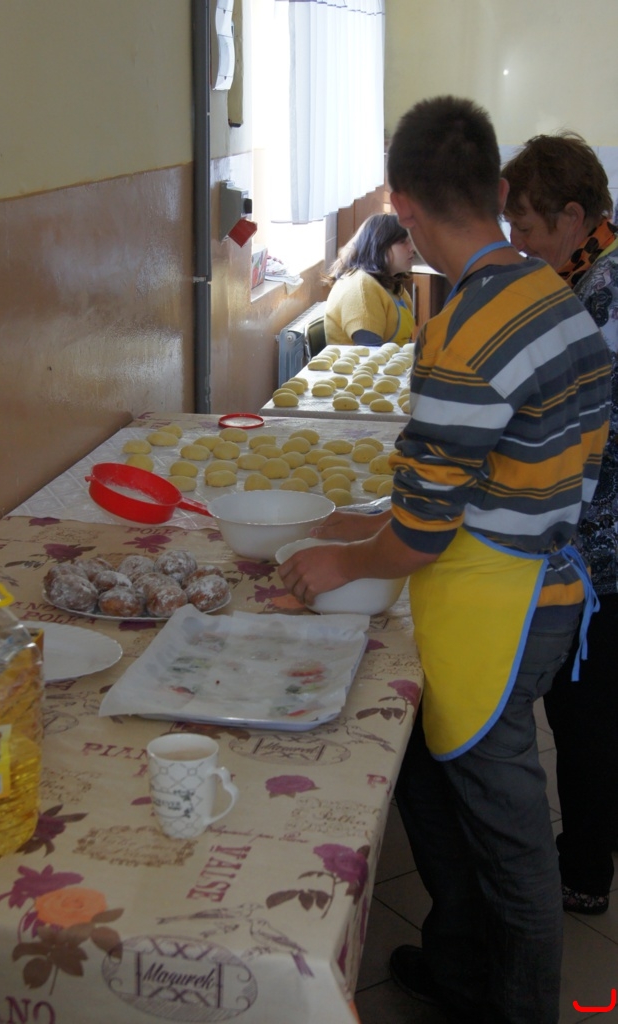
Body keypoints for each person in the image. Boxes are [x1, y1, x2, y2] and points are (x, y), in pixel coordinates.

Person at [278, 96, 612, 1024]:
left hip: (503, 611)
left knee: (513, 850)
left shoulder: (461, 336)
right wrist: (357, 520)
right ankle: (459, 966)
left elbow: (424, 535)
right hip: (550, 573)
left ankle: (516, 1004)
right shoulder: (551, 293)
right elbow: (497, 472)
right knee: (426, 778)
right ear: (499, 192)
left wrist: (341, 563)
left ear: (402, 207)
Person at [502, 132, 618, 916]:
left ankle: (581, 872)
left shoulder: (604, 293)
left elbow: (592, 440)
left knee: (584, 713)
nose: (516, 244)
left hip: (603, 551)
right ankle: (595, 841)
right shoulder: (589, 274)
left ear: (573, 218)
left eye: (526, 227)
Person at [323, 213, 416, 348]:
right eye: (403, 242)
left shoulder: (391, 284)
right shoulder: (362, 287)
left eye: (410, 241)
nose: (412, 248)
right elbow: (370, 351)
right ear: (379, 245)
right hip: (366, 361)